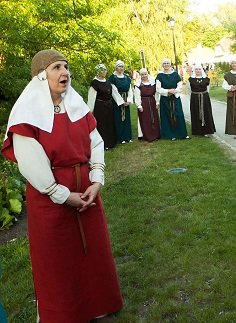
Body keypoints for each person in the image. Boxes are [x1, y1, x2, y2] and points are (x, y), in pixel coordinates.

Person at [1, 49, 122, 322]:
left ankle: (98, 305)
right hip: (51, 200)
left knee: (93, 254)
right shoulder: (27, 116)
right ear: (41, 77)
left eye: (66, 67)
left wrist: (97, 179)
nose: (65, 72)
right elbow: (31, 162)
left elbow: (96, 142)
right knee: (58, 263)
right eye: (57, 67)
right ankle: (66, 314)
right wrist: (62, 194)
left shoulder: (76, 106)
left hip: (88, 193)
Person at [88, 64, 125, 150]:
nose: (104, 72)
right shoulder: (95, 83)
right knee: (102, 125)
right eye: (102, 70)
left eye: (105, 70)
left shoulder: (108, 82)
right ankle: (103, 143)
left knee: (110, 123)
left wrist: (121, 102)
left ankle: (111, 142)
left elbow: (114, 93)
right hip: (100, 107)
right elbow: (91, 97)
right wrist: (90, 110)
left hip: (109, 106)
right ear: (98, 72)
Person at [155, 58, 190, 140]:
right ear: (162, 65)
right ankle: (170, 134)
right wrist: (168, 91)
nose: (166, 64)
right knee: (167, 116)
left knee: (178, 115)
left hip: (175, 98)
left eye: (167, 63)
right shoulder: (160, 76)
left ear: (170, 64)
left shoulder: (175, 74)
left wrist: (174, 91)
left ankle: (182, 134)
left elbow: (180, 86)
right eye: (164, 63)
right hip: (165, 99)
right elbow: (158, 88)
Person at [186, 64, 216, 137]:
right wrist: (193, 97)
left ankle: (207, 130)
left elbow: (208, 89)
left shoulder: (206, 79)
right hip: (195, 99)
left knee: (206, 113)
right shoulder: (190, 79)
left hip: (205, 99)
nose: (198, 71)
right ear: (194, 70)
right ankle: (197, 131)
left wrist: (203, 95)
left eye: (199, 69)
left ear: (201, 70)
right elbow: (188, 90)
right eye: (196, 69)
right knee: (196, 113)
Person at [108, 60, 134, 144]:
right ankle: (121, 137)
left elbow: (130, 89)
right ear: (116, 67)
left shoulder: (126, 77)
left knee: (126, 119)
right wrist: (121, 102)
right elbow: (114, 91)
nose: (121, 68)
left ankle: (128, 136)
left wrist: (129, 100)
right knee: (119, 118)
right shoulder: (112, 77)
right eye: (119, 66)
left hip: (126, 99)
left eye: (122, 66)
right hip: (117, 101)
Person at [134, 67, 160, 142]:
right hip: (144, 102)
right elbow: (137, 96)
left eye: (145, 74)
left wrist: (157, 102)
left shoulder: (152, 82)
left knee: (154, 118)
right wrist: (139, 105)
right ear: (140, 75)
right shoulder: (138, 85)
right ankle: (147, 135)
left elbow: (156, 93)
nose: (144, 76)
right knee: (146, 119)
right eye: (142, 74)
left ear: (147, 74)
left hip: (152, 101)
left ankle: (156, 134)